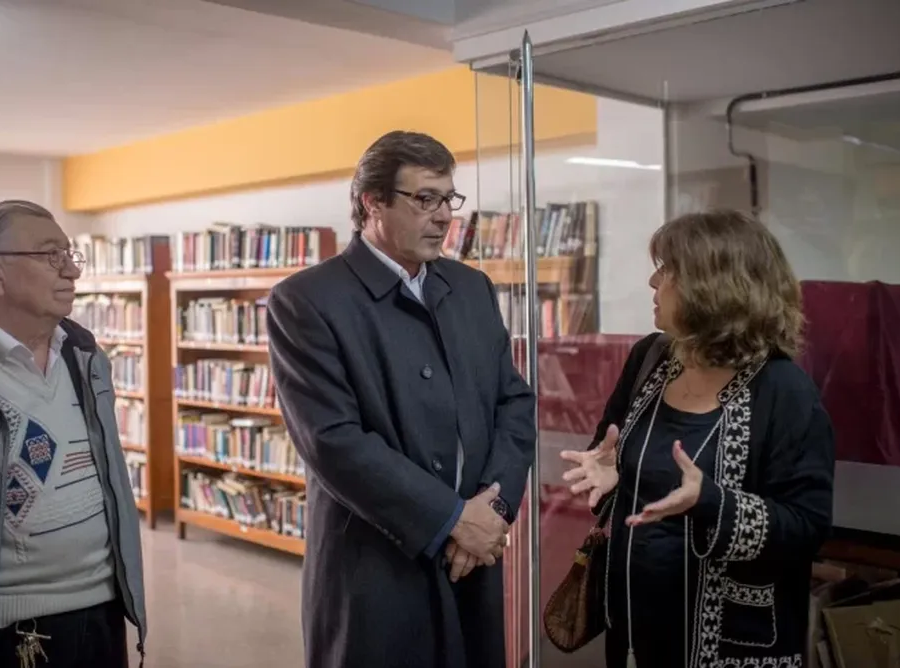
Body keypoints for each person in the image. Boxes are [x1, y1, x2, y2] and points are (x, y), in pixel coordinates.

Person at [266, 130, 537, 668]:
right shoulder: (305, 302)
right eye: (425, 199)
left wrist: (494, 510)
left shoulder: (471, 289)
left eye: (449, 200)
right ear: (373, 203)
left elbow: (514, 403)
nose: (444, 217)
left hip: (474, 557)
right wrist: (453, 520)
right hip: (376, 566)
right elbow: (333, 443)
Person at [561, 209, 835, 668]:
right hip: (634, 635)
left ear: (713, 287)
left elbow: (807, 527)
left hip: (732, 645)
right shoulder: (648, 359)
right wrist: (610, 474)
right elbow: (611, 452)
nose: (652, 282)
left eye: (667, 270)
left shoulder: (784, 390)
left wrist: (711, 501)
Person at [0, 200, 147, 668]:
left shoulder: (86, 357)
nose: (71, 271)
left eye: (71, 255)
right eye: (50, 255)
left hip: (103, 611)